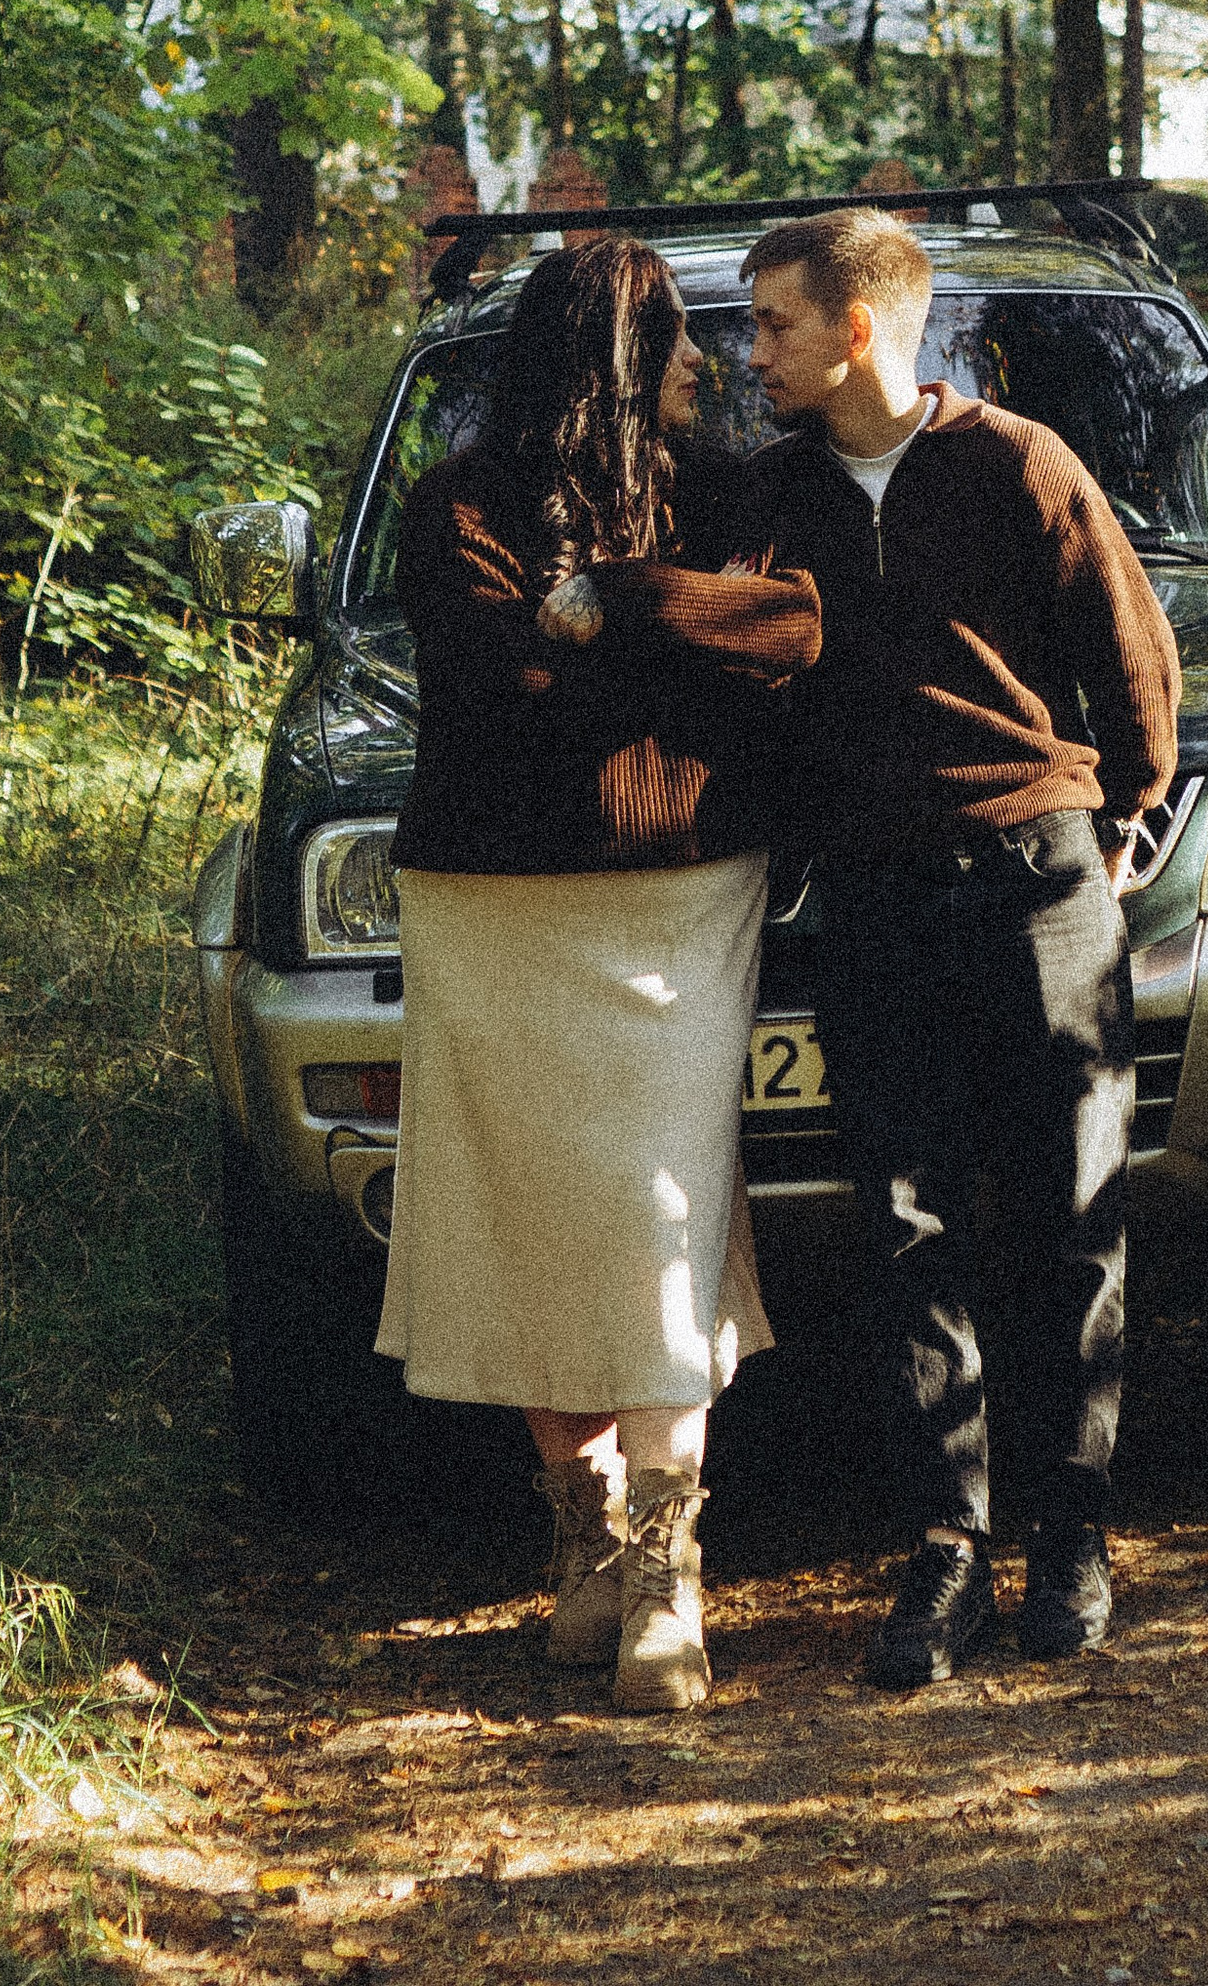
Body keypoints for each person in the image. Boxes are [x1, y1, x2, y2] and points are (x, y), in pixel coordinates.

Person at [732, 205, 1181, 1687]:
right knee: (905, 1224)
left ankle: (1073, 1534)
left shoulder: (1017, 465)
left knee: (1067, 1212)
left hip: (1034, 881)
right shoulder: (773, 497)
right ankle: (945, 1553)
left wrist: (1123, 824)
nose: (756, 355)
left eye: (775, 325)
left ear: (858, 327)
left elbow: (1133, 657)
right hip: (869, 898)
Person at [379, 234, 821, 1712]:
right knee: (527, 1226)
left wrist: (620, 606)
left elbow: (789, 635)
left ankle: (666, 1585)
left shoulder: (732, 494)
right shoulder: (452, 513)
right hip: (493, 911)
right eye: (683, 341)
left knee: (658, 1222)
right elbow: (501, 690)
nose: (707, 363)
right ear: (614, 362)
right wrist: (671, 645)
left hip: (679, 903)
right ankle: (582, 1562)